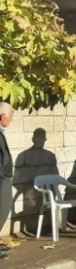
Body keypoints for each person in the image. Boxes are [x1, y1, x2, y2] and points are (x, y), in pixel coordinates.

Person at [0, 102, 15, 260]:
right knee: (2, 211)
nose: (11, 119)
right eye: (10, 116)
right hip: (1, 179)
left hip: (3, 178)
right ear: (2, 116)